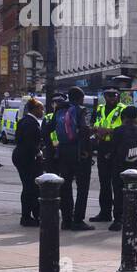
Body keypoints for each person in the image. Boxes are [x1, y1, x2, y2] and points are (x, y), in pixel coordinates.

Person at [54, 87, 94, 231]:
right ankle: (78, 220)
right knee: (83, 187)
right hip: (78, 152)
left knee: (65, 187)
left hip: (63, 151)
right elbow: (84, 131)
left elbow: (51, 129)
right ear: (80, 98)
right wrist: (86, 151)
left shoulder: (59, 109)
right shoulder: (81, 110)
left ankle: (66, 220)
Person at [89, 87, 124, 223]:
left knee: (117, 183)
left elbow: (126, 127)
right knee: (104, 183)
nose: (110, 98)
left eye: (113, 95)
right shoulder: (99, 108)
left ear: (118, 96)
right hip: (102, 147)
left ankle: (118, 215)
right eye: (108, 95)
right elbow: (93, 123)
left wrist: (109, 131)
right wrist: (97, 131)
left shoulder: (123, 109)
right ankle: (105, 212)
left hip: (116, 148)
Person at [109, 105, 137, 232]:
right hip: (135, 168)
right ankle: (134, 219)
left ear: (123, 117)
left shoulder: (118, 131)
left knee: (119, 194)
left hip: (119, 168)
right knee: (133, 193)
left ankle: (118, 220)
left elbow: (113, 149)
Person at [12, 97, 45, 227]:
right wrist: (38, 152)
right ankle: (27, 217)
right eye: (41, 108)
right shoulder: (32, 123)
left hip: (20, 156)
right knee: (30, 188)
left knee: (28, 187)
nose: (42, 111)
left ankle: (29, 215)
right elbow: (30, 142)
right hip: (27, 158)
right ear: (35, 109)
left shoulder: (23, 121)